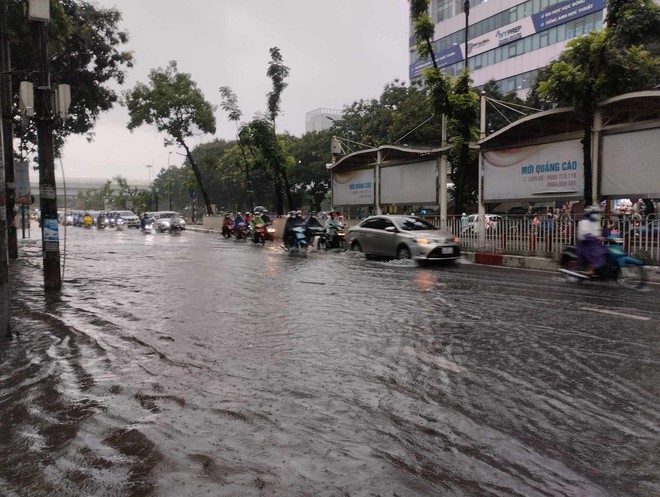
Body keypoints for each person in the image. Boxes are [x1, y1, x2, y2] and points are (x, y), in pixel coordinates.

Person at [576, 205, 606, 276]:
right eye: (595, 213)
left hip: (595, 244)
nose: (597, 215)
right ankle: (590, 269)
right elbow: (585, 234)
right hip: (585, 244)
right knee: (595, 254)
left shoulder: (596, 223)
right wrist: (596, 238)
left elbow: (599, 233)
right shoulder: (584, 222)